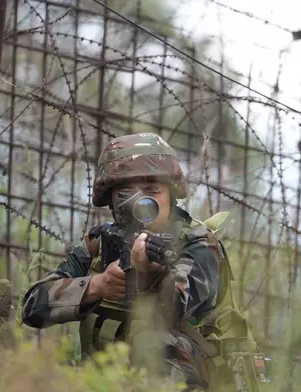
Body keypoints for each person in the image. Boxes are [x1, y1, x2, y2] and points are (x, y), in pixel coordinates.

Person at [21, 133, 258, 391]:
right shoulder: (101, 242)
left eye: (152, 191)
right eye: (126, 194)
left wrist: (145, 275)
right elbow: (32, 307)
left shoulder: (198, 245)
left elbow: (173, 308)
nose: (142, 203)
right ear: (112, 200)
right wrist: (98, 286)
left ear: (171, 194)